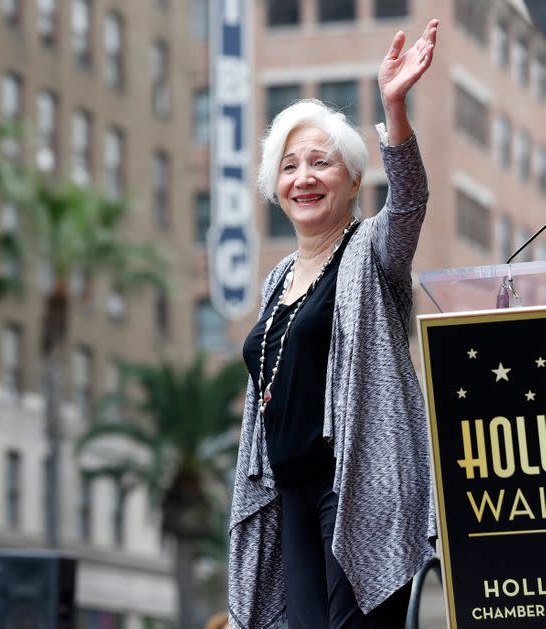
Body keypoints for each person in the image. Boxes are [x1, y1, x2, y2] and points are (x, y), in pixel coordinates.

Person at [228, 19, 440, 629]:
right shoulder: (277, 279)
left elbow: (409, 201)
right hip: (287, 496)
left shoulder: (371, 250)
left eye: (320, 163)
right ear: (276, 186)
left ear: (351, 179)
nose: (304, 178)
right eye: (290, 167)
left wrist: (393, 106)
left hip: (356, 491)